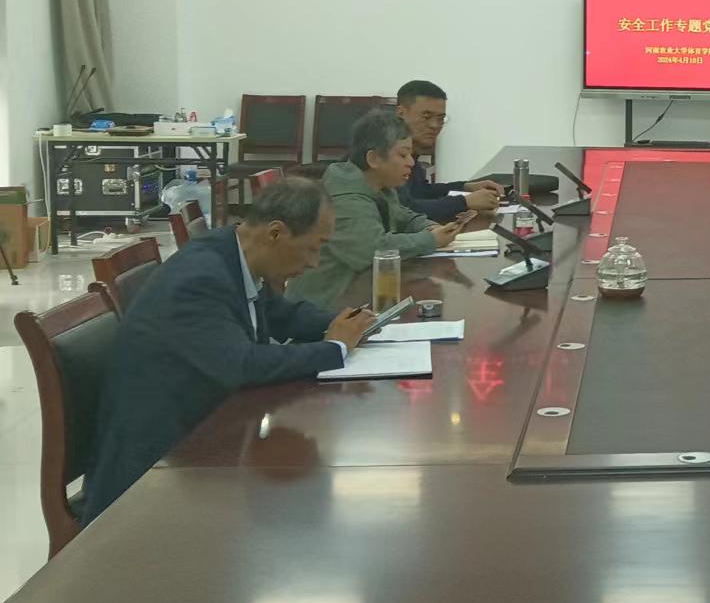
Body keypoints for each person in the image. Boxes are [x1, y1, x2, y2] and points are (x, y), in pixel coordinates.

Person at [82, 177, 373, 523]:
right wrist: (334, 348)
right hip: (157, 470)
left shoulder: (232, 253)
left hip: (205, 436)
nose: (315, 262)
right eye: (314, 247)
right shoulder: (201, 278)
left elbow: (279, 314)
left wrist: (346, 323)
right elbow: (242, 364)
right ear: (276, 233)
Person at [288, 109, 467, 307]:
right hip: (321, 308)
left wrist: (430, 227)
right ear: (374, 159)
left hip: (358, 296)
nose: (411, 162)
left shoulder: (378, 185)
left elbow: (404, 215)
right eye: (403, 154)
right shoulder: (345, 198)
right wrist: (430, 240)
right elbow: (371, 250)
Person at [395, 79, 504, 222]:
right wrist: (464, 202)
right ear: (401, 113)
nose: (435, 125)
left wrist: (466, 187)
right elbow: (403, 210)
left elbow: (420, 191)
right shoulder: (385, 153)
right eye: (426, 117)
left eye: (441, 118)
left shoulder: (411, 151)